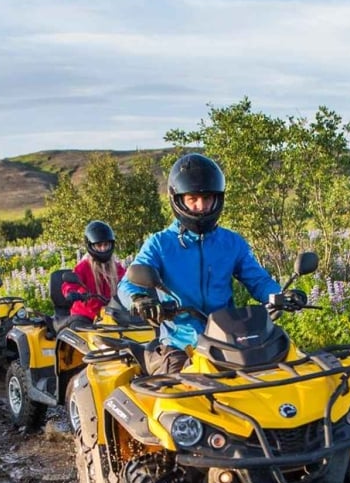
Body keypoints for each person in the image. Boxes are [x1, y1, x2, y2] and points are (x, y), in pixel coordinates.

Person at [117, 153, 305, 372]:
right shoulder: (159, 243)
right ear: (178, 199)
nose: (201, 206)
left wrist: (280, 295)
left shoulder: (232, 242)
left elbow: (259, 280)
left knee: (279, 372)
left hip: (230, 337)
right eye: (193, 199)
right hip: (181, 341)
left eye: (207, 199)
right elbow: (127, 283)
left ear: (218, 199)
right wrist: (138, 299)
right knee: (175, 390)